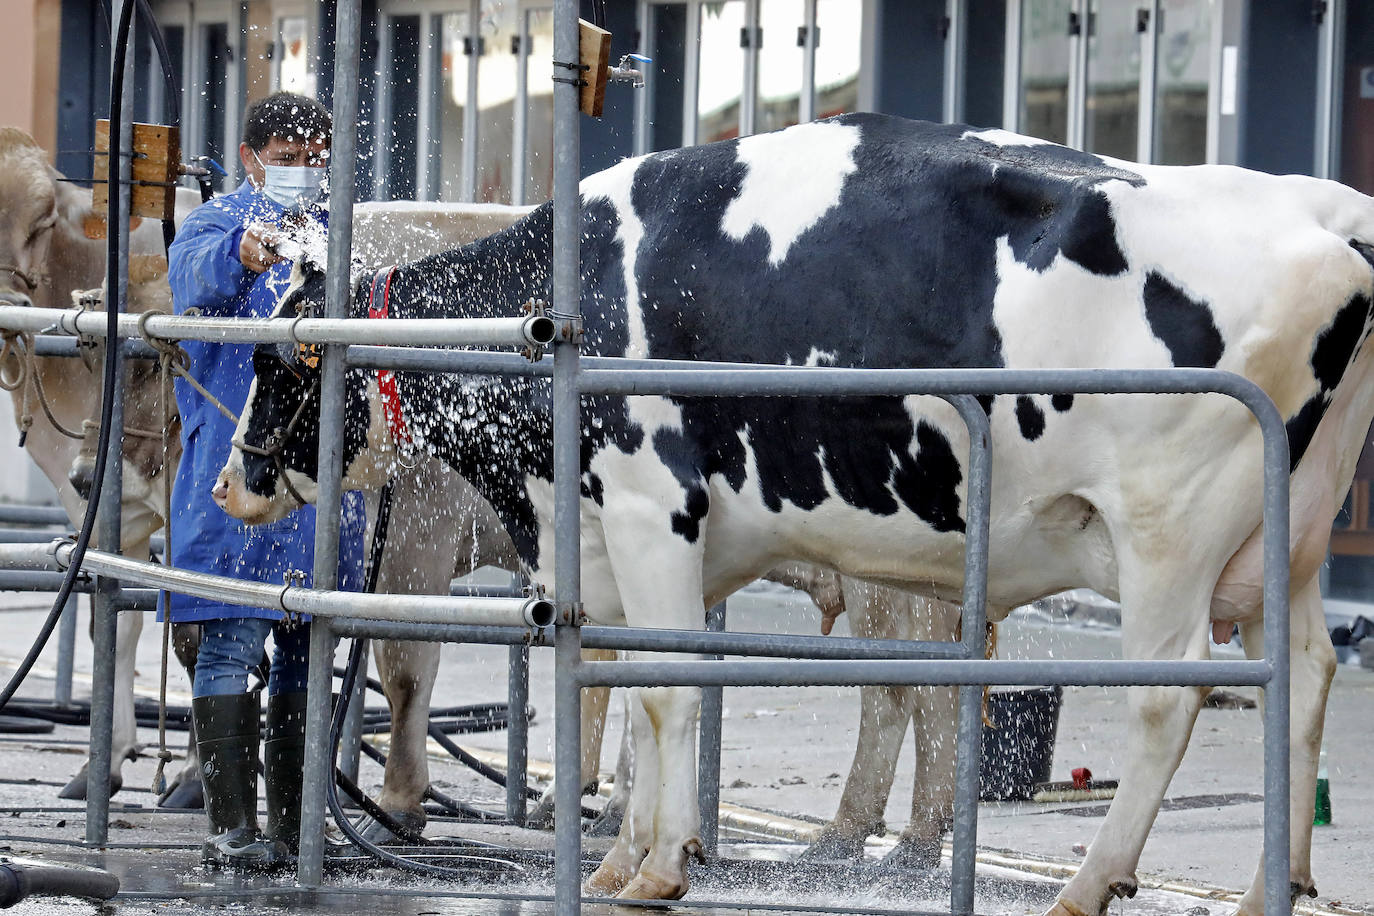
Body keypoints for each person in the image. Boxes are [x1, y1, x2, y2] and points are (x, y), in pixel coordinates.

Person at [164, 91, 365, 870]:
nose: (304, 173)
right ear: (251, 159)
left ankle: (294, 828)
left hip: (315, 489)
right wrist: (243, 253)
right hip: (233, 475)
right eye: (287, 159)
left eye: (316, 159)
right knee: (229, 648)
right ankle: (232, 832)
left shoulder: (336, 234)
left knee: (307, 654)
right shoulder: (217, 225)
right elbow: (192, 279)